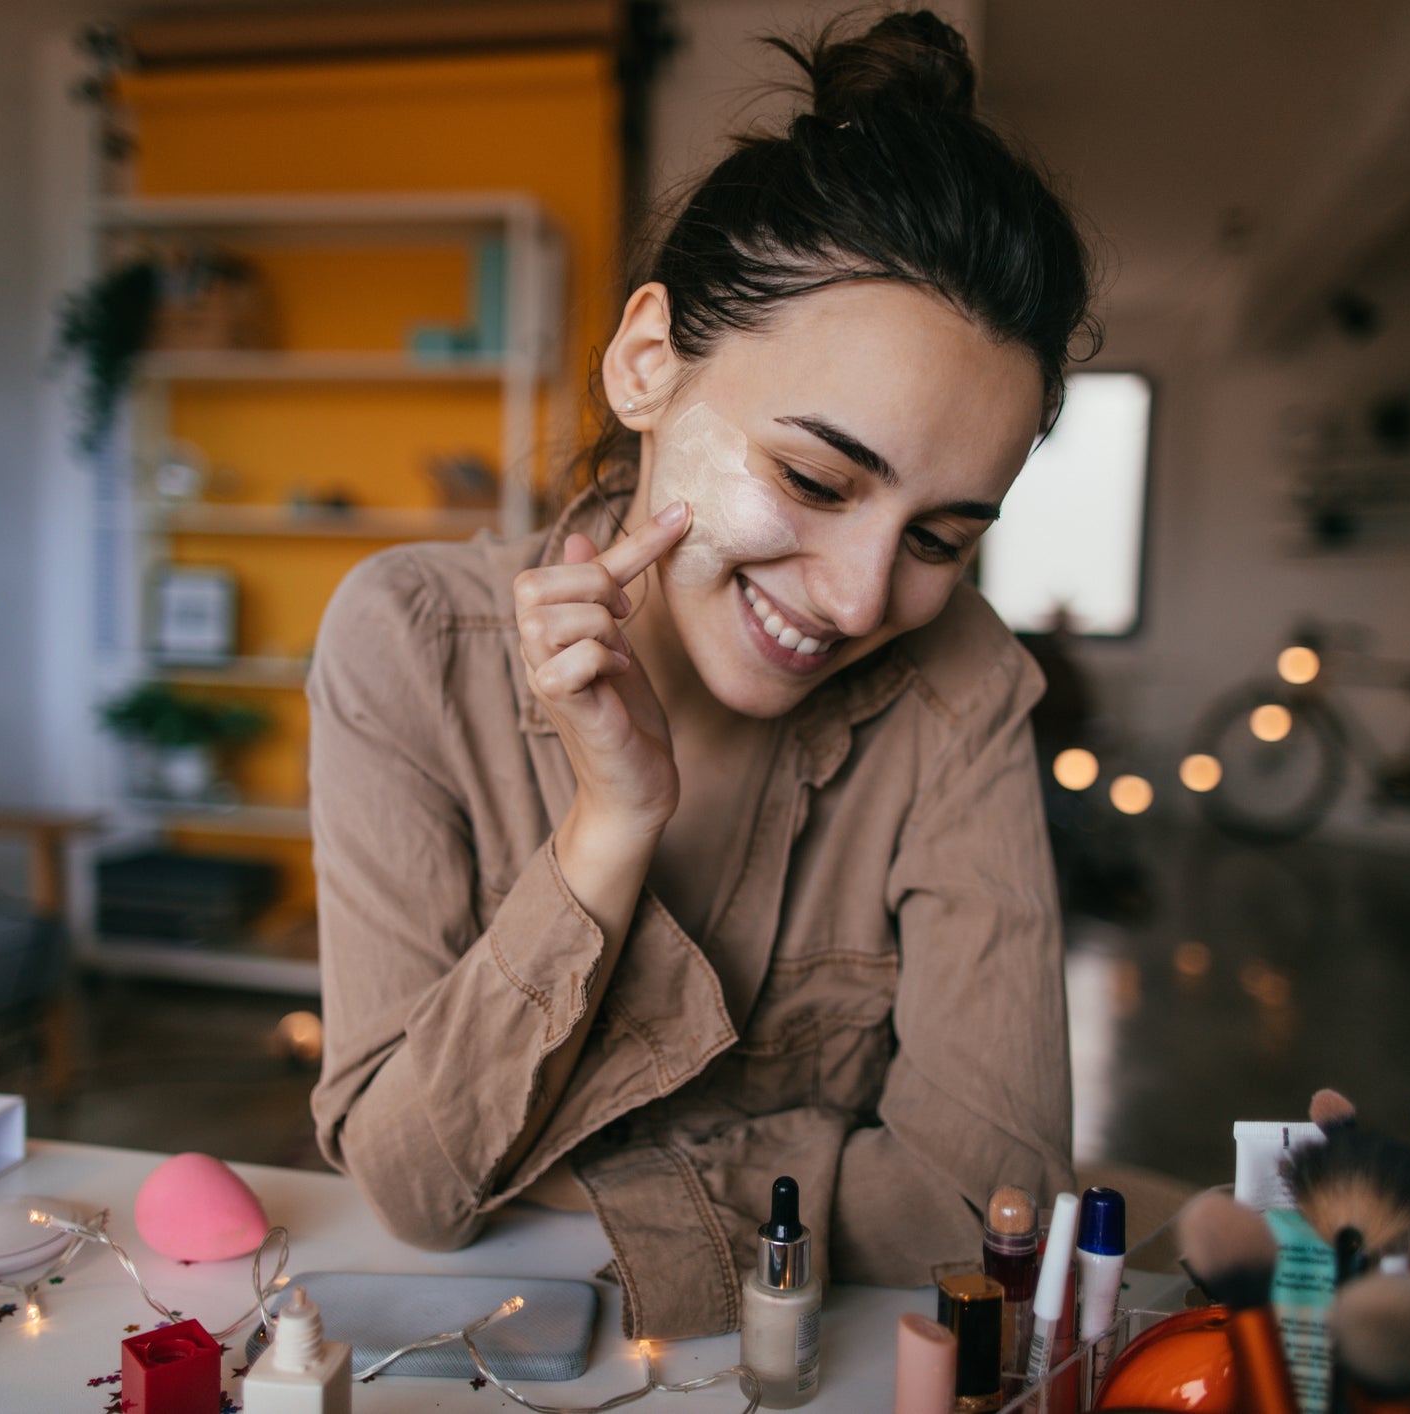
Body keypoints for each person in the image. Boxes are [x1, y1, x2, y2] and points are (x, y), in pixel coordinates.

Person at [307, 9, 1097, 1339]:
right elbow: (411, 1188)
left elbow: (984, 1206)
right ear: (644, 363)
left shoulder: (961, 685)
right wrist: (607, 827)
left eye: (941, 537)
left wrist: (561, 1168)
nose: (858, 596)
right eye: (811, 477)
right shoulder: (409, 641)